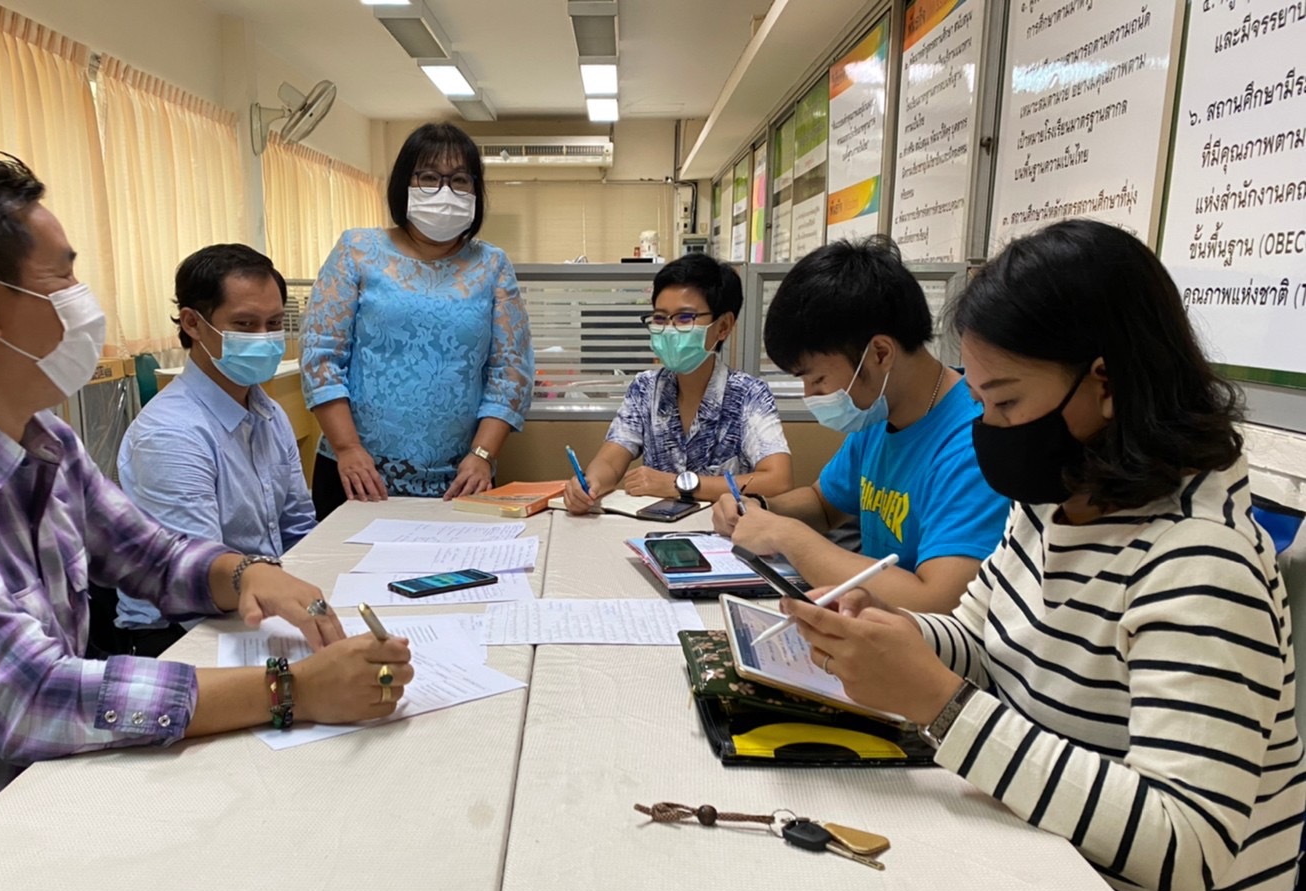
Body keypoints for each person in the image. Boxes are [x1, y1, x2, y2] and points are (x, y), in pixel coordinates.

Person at [0, 153, 413, 891]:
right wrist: (292, 690)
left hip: (43, 806)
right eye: (62, 278)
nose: (86, 303)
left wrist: (244, 572)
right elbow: (29, 697)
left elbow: (154, 557)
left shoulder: (41, 437)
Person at [784, 220, 1304, 891]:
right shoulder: (1057, 500)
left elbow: (1186, 844)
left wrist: (938, 702)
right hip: (1051, 879)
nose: (987, 428)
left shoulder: (1200, 562)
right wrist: (889, 636)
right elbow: (983, 638)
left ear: (1107, 381)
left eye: (1005, 402)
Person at [710, 237, 1007, 611]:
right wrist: (758, 507)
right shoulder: (880, 412)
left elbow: (937, 601)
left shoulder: (977, 440)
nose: (811, 395)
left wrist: (788, 537)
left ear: (880, 353)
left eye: (817, 379)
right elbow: (823, 504)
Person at [301, 122, 534, 519]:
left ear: (476, 190)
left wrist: (482, 455)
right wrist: (347, 448)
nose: (445, 191)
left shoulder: (492, 265)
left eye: (459, 180)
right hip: (356, 475)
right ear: (403, 184)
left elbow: (510, 373)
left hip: (460, 479)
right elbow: (321, 359)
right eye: (428, 177)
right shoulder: (357, 250)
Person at [115, 244, 316, 656]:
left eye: (274, 324)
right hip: (182, 631)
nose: (264, 339)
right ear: (193, 323)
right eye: (245, 324)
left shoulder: (268, 411)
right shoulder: (171, 434)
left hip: (256, 607)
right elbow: (196, 580)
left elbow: (298, 528)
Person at [561, 253, 792, 513]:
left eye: (684, 318)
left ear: (723, 326)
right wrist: (590, 483)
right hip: (652, 530)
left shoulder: (748, 394)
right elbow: (610, 460)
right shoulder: (645, 388)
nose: (669, 330)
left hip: (723, 531)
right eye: (660, 318)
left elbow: (778, 481)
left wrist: (679, 485)